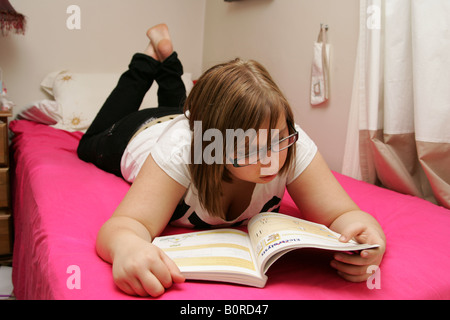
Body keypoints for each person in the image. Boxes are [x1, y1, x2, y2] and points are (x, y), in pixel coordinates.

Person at [78, 24, 386, 297]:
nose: (270, 161)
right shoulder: (181, 150)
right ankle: (149, 61)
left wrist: (368, 236)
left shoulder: (288, 140)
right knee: (88, 142)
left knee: (181, 107)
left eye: (278, 140)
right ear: (212, 144)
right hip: (140, 132)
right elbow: (124, 226)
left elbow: (343, 214)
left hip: (193, 119)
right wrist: (127, 247)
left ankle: (169, 60)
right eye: (250, 149)